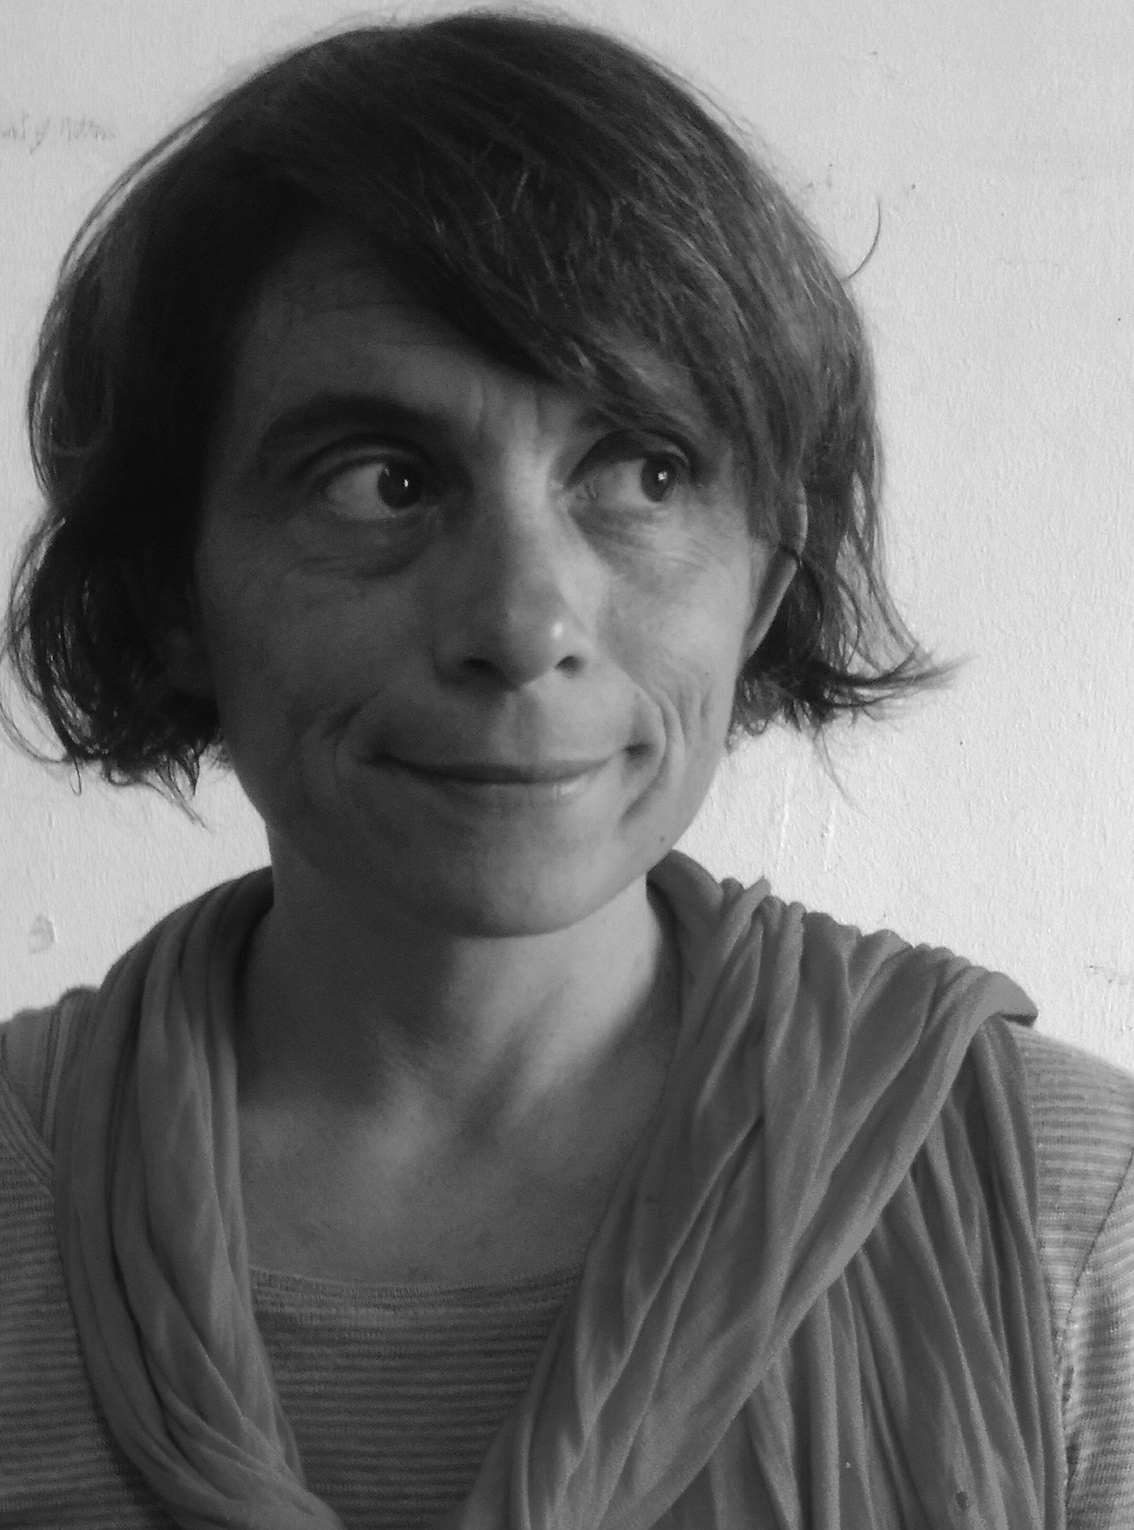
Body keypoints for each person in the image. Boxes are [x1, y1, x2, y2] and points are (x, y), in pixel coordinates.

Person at [0, 11, 1131, 1529]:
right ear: (168, 590)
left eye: (644, 473)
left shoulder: (1068, 1211)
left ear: (765, 571)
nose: (524, 626)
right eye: (381, 481)